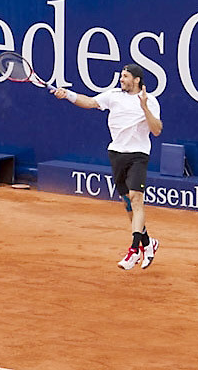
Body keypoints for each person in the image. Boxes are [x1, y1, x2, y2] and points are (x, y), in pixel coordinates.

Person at [52, 64, 162, 270]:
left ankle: (134, 249)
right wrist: (67, 94)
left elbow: (156, 130)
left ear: (137, 80)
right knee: (128, 204)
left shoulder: (151, 101)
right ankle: (148, 243)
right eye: (122, 75)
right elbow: (91, 102)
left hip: (138, 155)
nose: (121, 79)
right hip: (116, 154)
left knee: (137, 199)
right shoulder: (113, 96)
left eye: (126, 76)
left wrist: (144, 107)